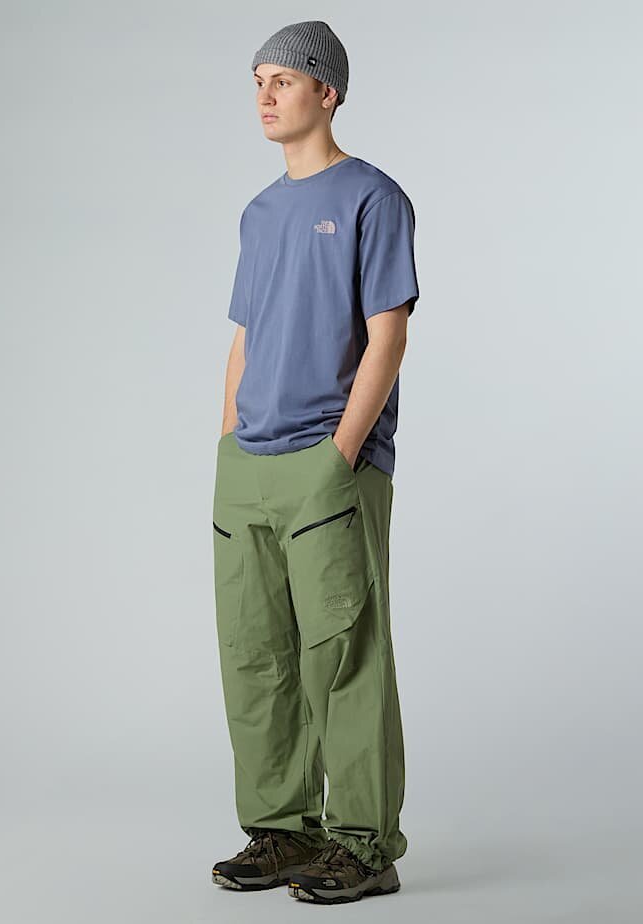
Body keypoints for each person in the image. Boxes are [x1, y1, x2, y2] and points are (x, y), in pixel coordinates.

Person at [210, 20, 419, 905]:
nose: (264, 96)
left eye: (283, 80)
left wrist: (342, 454)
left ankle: (363, 845)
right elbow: (245, 338)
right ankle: (283, 830)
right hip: (249, 467)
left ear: (327, 92)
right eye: (257, 80)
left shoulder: (373, 197)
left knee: (345, 655)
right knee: (255, 656)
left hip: (330, 464)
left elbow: (388, 335)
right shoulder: (259, 213)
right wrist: (227, 444)